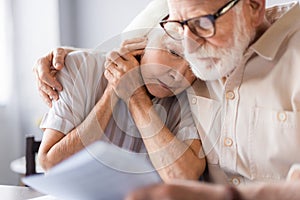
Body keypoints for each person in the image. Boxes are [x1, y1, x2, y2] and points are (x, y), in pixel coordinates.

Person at [33, 0, 300, 199]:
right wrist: (61, 62)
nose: (190, 48)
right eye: (178, 27)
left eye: (203, 23)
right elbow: (134, 51)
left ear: (253, 7)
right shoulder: (197, 52)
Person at [37, 29, 206, 182]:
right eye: (174, 52)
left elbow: (184, 177)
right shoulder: (81, 66)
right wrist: (114, 87)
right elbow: (51, 164)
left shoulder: (187, 96)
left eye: (194, 65)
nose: (178, 75)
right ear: (144, 42)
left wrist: (136, 97)